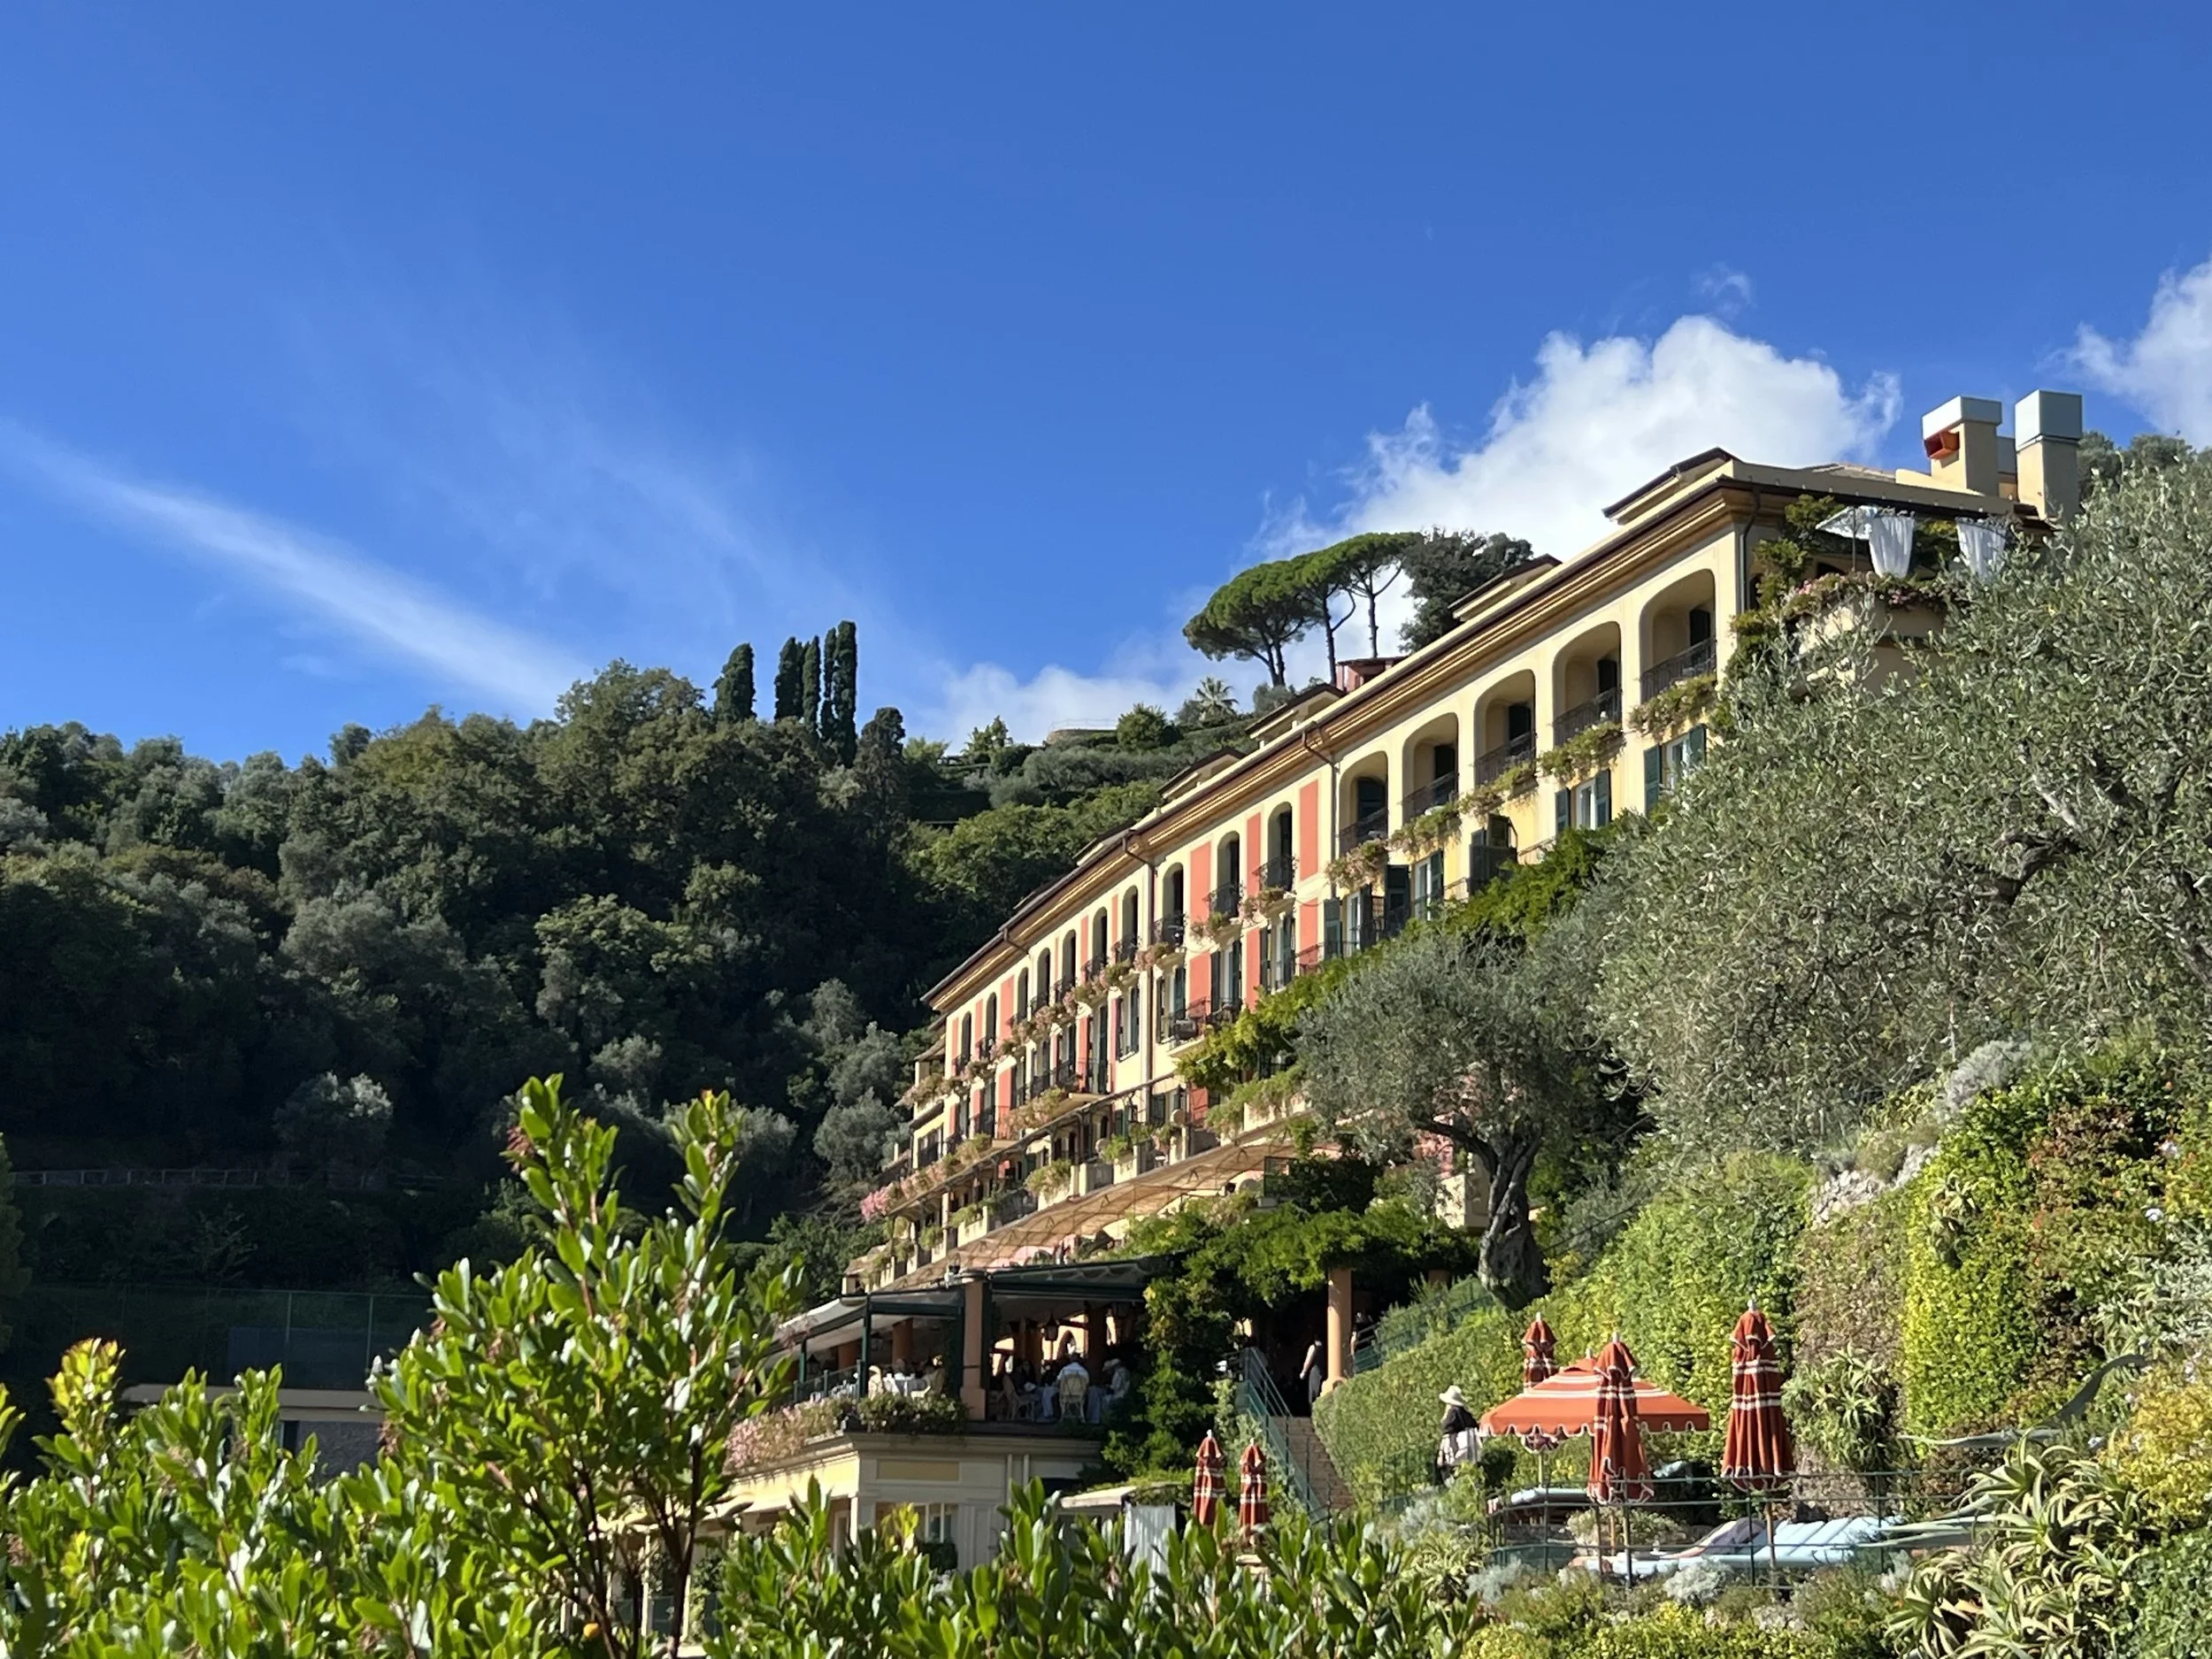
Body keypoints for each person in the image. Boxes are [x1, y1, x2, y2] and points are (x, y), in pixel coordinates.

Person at [1436, 1385, 1478, 1484]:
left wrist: (1441, 1455)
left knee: (1452, 1480)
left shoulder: (1451, 1414)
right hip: (1468, 1453)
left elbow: (1446, 1435)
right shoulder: (1465, 1414)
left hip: (1453, 1453)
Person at [1301, 1340, 1325, 1410]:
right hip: (1323, 1372)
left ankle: (1314, 1411)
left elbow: (1308, 1360)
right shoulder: (1326, 1347)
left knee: (1313, 1395)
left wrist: (1304, 1371)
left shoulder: (1313, 1347)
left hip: (1315, 1372)